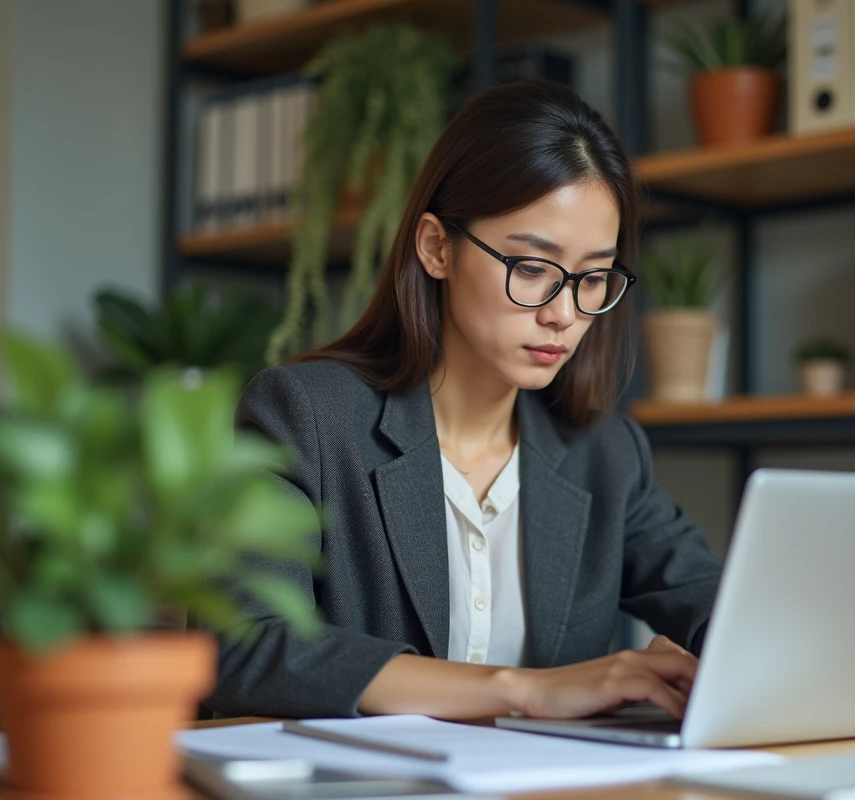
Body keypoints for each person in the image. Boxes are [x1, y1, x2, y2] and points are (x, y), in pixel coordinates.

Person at [206, 79, 723, 722]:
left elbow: (716, 600)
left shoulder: (605, 453)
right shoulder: (305, 416)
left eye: (593, 278)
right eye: (532, 268)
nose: (565, 313)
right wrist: (523, 690)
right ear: (436, 247)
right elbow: (242, 643)